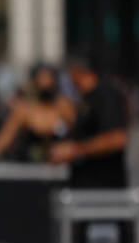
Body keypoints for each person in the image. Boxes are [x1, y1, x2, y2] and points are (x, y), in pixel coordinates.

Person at [0, 64, 75, 172]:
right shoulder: (25, 109)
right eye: (41, 79)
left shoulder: (64, 106)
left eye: (49, 79)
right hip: (31, 168)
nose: (45, 83)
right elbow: (5, 136)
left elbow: (76, 133)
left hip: (60, 169)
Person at [49, 52, 128, 189]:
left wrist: (75, 151)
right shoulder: (84, 99)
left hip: (104, 188)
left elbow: (117, 138)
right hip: (85, 183)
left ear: (77, 71)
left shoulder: (105, 94)